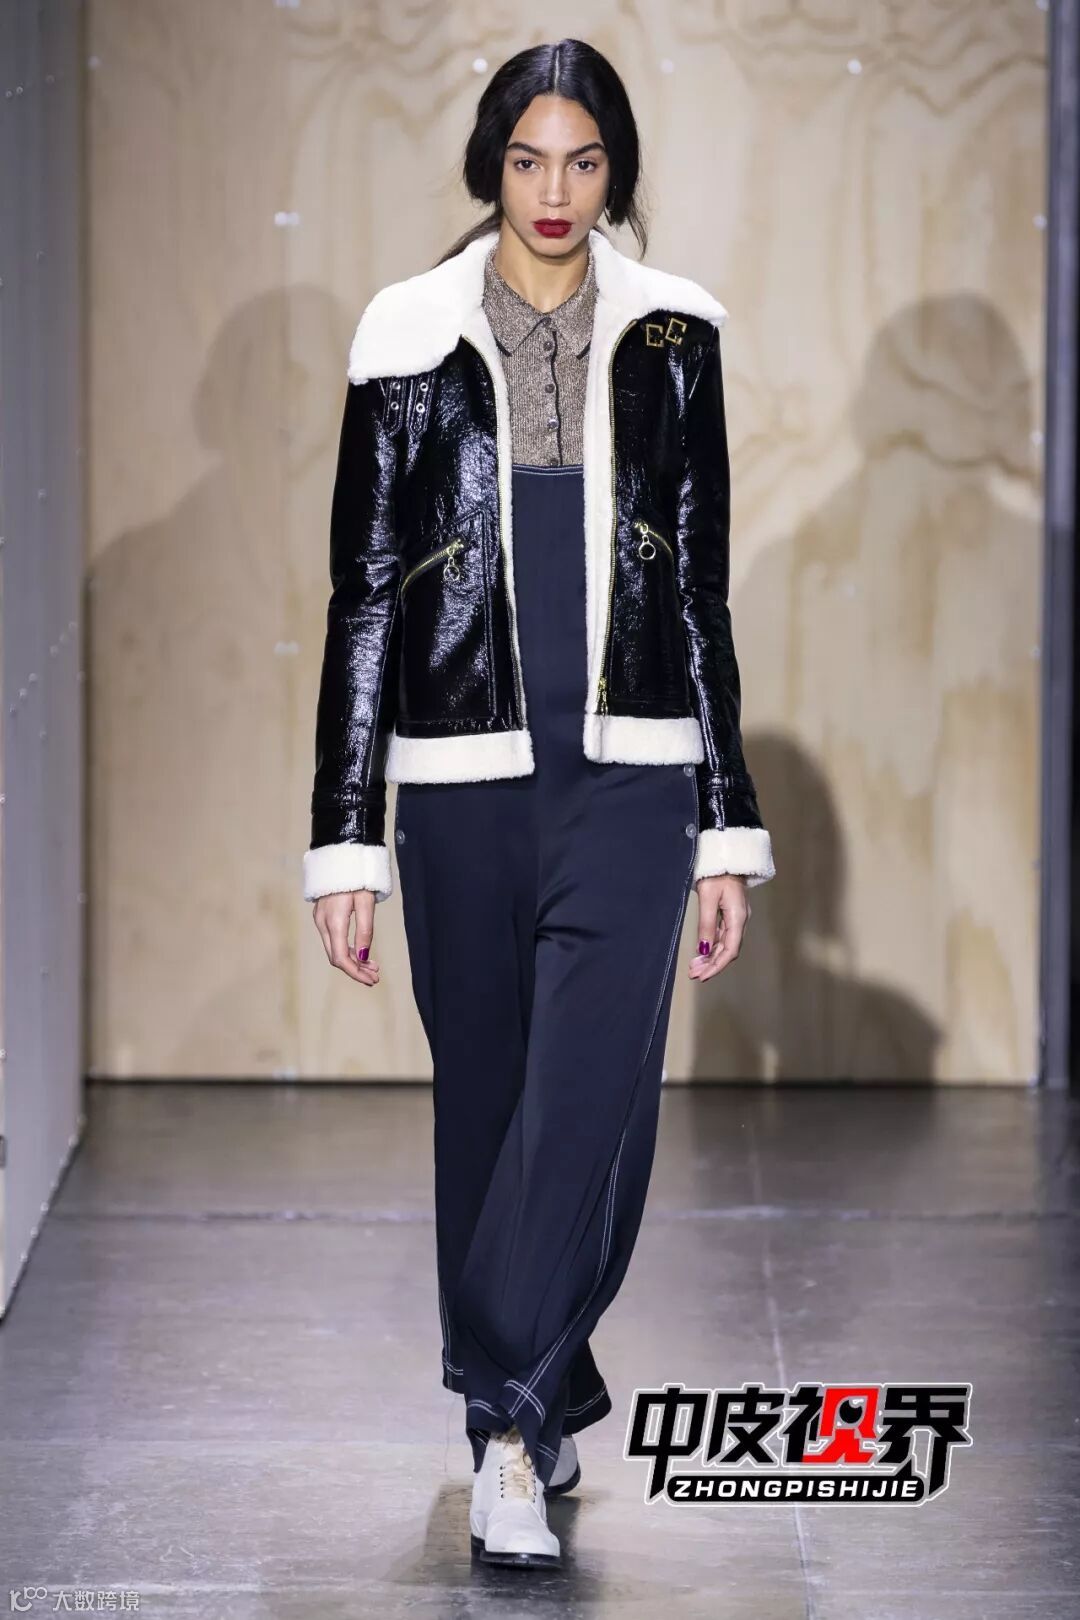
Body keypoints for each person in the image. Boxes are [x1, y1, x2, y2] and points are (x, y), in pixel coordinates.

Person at [303, 38, 776, 1570]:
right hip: (461, 786)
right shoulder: (406, 334)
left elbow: (698, 591)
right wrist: (344, 838)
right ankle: (539, 1392)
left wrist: (726, 821)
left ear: (613, 171)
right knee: (490, 1114)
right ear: (490, 166)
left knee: (589, 1110)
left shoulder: (679, 334)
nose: (554, 191)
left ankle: (507, 1432)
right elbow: (365, 595)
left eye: (582, 161)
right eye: (527, 159)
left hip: (633, 781)